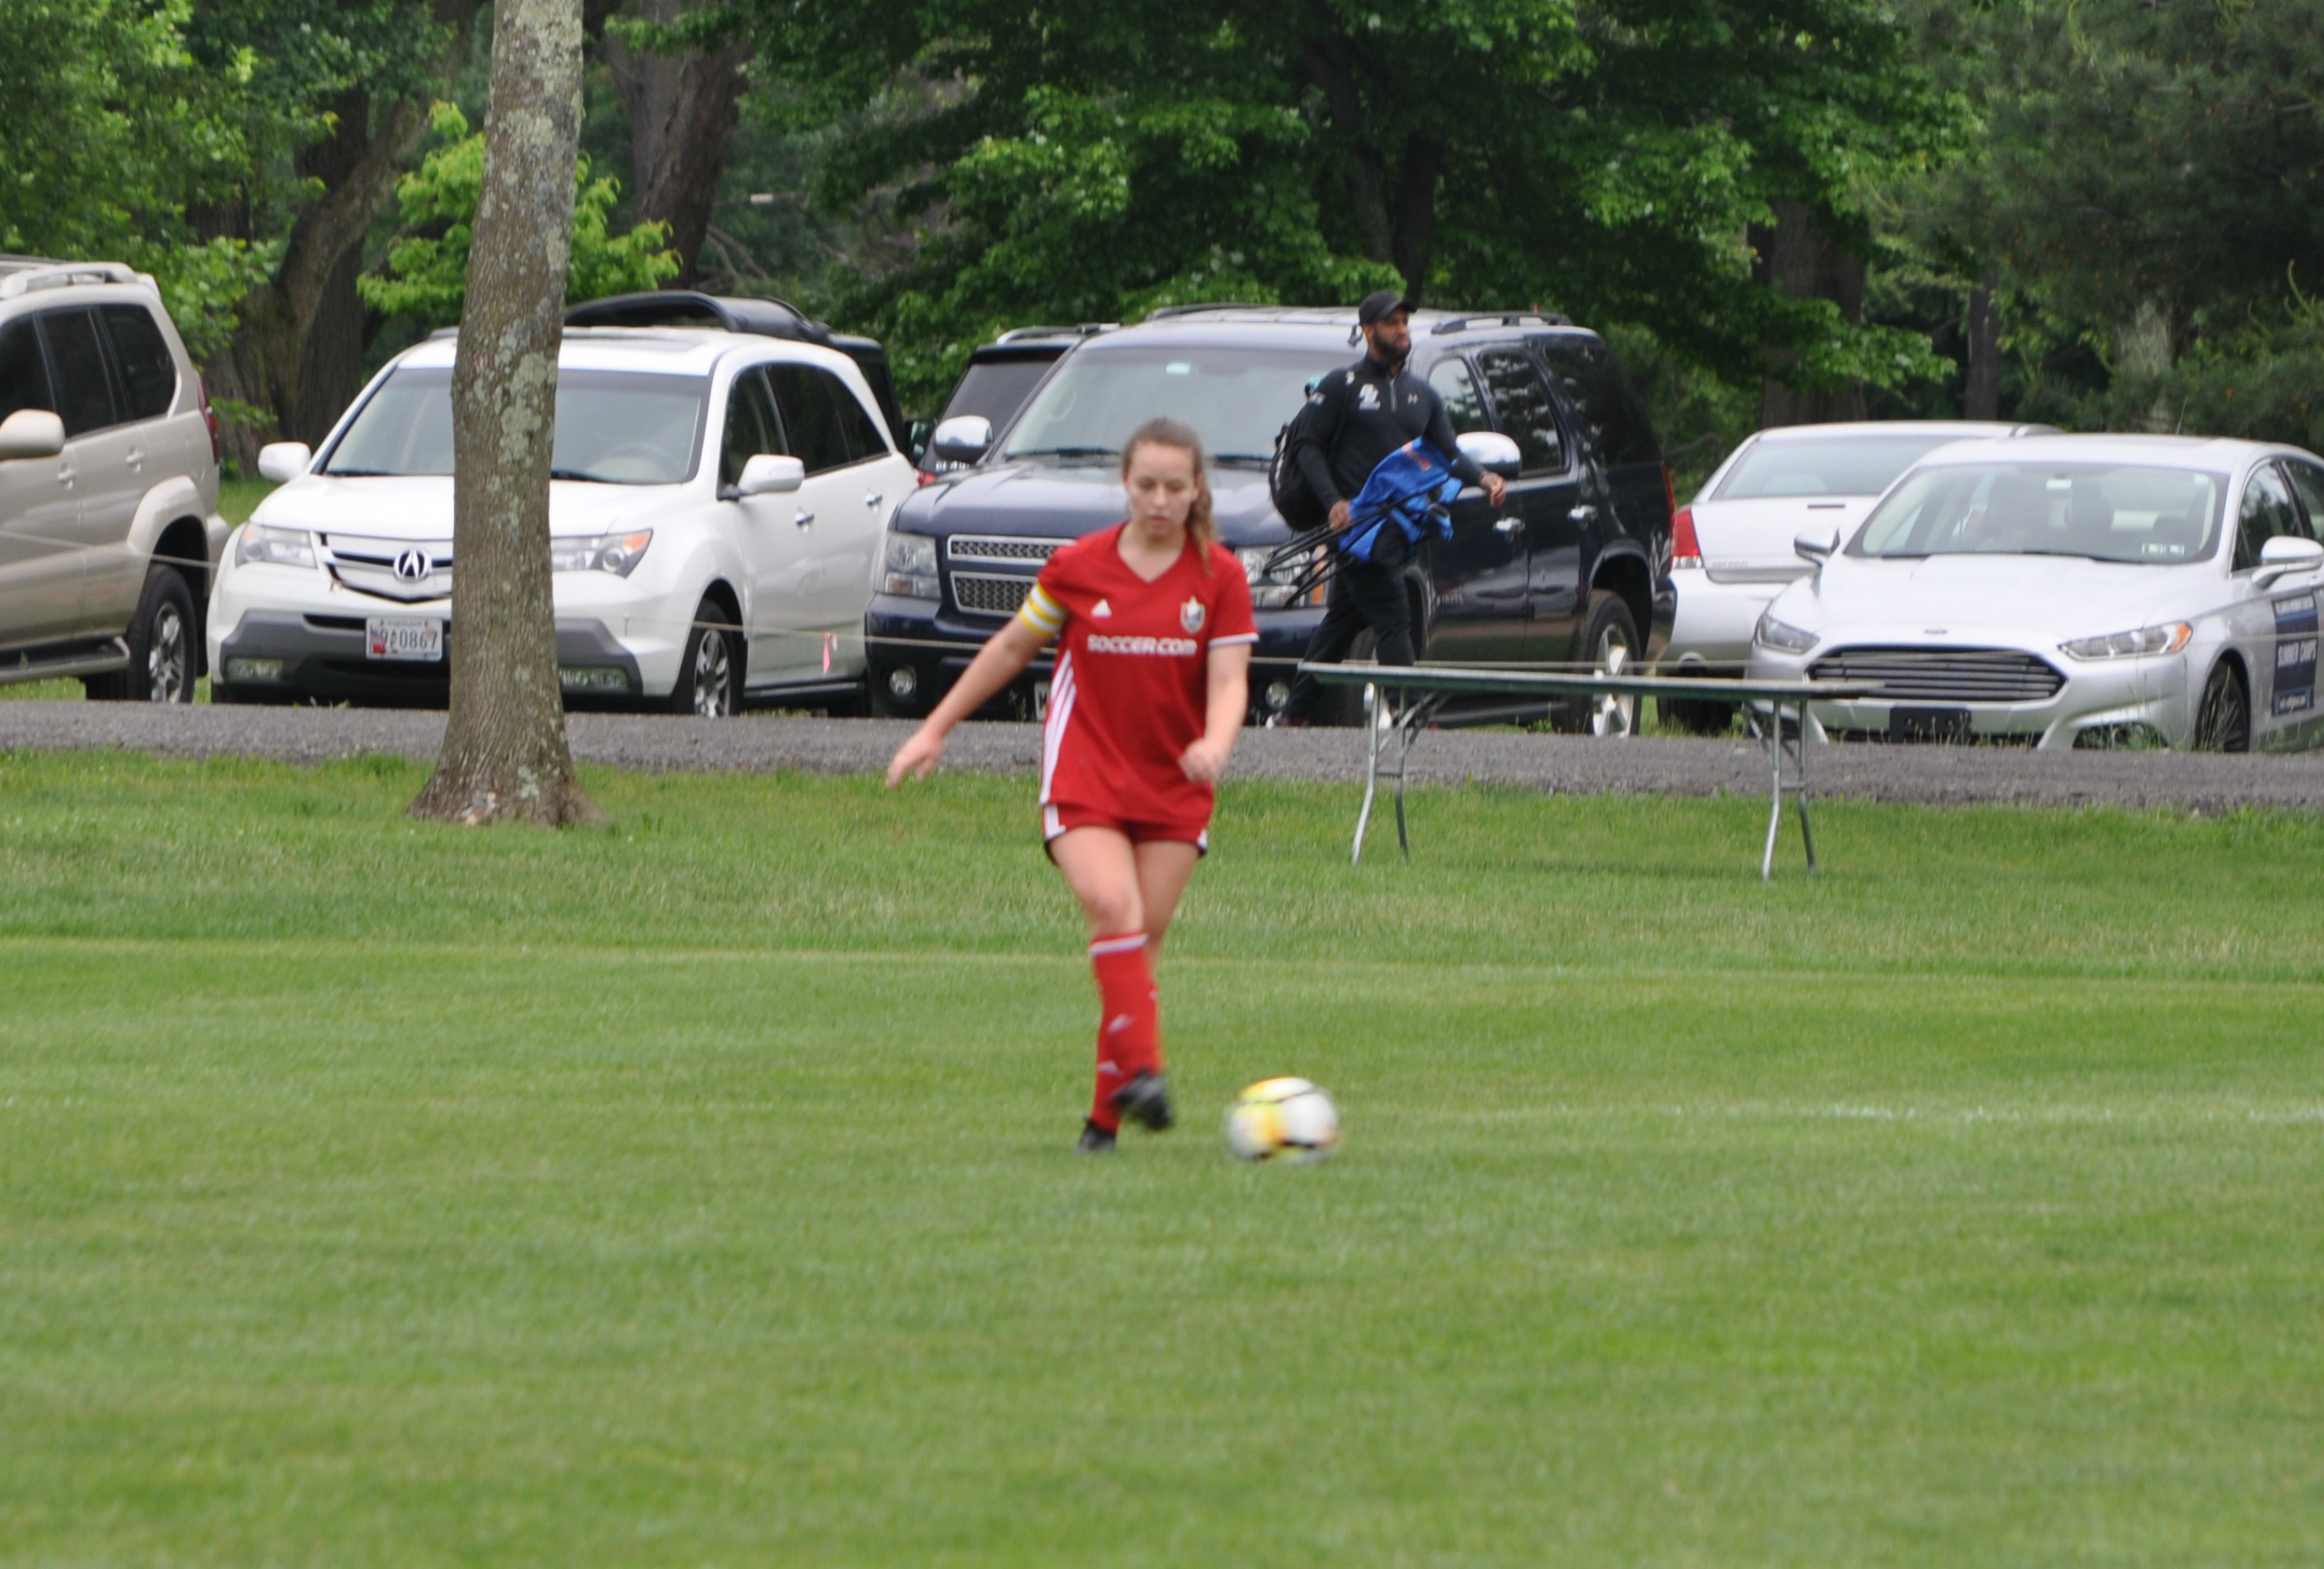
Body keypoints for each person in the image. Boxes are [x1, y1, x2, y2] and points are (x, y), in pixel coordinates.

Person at [886, 417, 1256, 1154]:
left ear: (1196, 492)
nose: (1158, 500)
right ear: (1124, 484)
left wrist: (1215, 745)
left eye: (1173, 487)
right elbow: (1012, 646)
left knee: (1135, 949)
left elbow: (1229, 680)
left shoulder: (1220, 575)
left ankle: (1103, 1123)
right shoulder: (1078, 567)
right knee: (1110, 907)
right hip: (1084, 770)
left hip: (1175, 785)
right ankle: (1146, 1070)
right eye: (1145, 484)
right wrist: (936, 727)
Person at [1274, 290, 1509, 725]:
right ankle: (1412, 710)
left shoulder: (1422, 394)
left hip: (1398, 527)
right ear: (1368, 331)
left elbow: (1447, 452)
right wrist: (1333, 502)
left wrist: (1485, 478)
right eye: (1391, 323)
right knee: (1394, 615)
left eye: (1404, 322)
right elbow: (1307, 448)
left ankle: (1293, 714)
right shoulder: (1340, 386)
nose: (1402, 330)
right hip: (1357, 529)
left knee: (1341, 623)